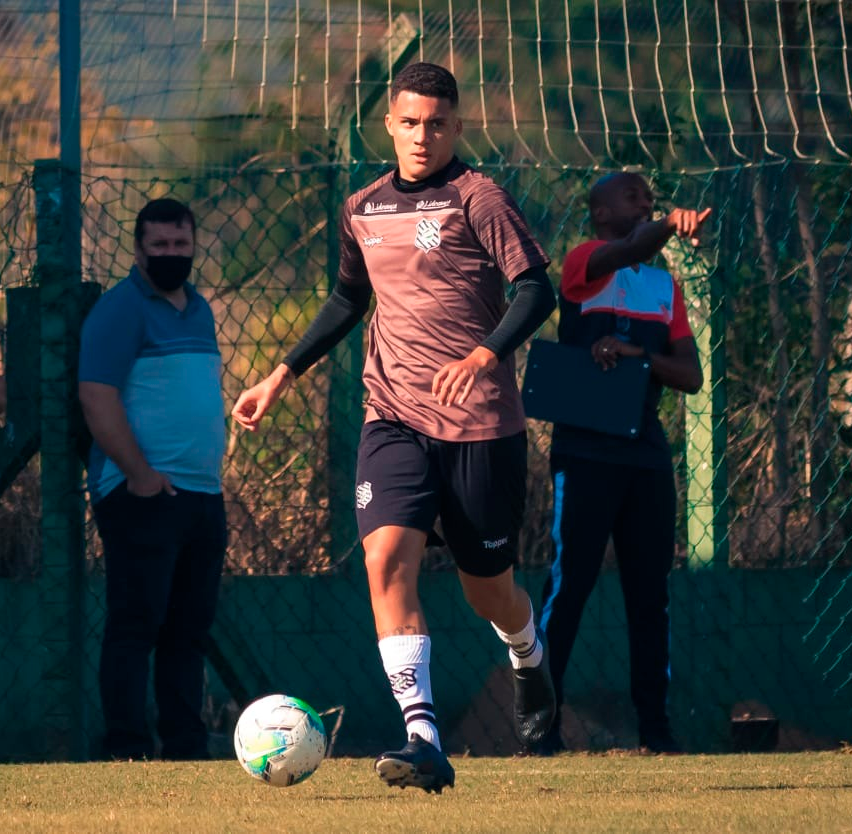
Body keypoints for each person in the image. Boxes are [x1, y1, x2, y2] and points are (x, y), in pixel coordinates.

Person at [231, 62, 557, 792]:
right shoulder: (363, 208)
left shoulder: (480, 199)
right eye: (410, 123)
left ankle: (527, 654)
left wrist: (484, 353)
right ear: (389, 124)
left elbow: (537, 288)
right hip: (394, 419)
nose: (422, 136)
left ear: (458, 127)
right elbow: (348, 300)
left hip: (480, 427)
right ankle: (423, 737)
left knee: (489, 591)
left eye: (437, 124)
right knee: (385, 562)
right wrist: (281, 376)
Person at [536, 173, 709, 755]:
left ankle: (656, 734)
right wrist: (665, 225)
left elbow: (690, 375)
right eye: (633, 196)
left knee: (648, 592)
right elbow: (633, 246)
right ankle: (541, 730)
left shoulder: (664, 288)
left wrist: (640, 355)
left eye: (651, 199)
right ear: (601, 211)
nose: (647, 203)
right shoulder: (585, 263)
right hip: (584, 451)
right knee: (569, 585)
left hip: (645, 452)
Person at [79, 198, 227, 760]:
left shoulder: (201, 310)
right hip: (141, 494)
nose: (171, 255)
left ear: (193, 246)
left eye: (180, 246)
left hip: (202, 496)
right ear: (138, 249)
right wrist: (140, 475)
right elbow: (96, 396)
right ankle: (126, 747)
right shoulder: (120, 311)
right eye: (159, 246)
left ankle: (186, 747)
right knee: (135, 626)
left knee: (188, 630)